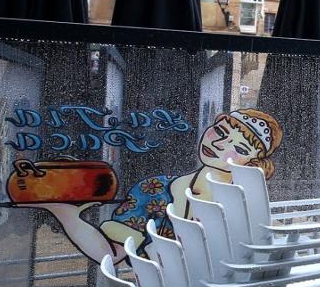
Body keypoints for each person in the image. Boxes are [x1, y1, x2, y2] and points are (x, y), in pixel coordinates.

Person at [22, 109, 282, 262]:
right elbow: (110, 255)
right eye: (220, 131)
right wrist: (65, 214)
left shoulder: (251, 204)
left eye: (238, 147)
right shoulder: (154, 190)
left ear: (253, 162)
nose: (218, 145)